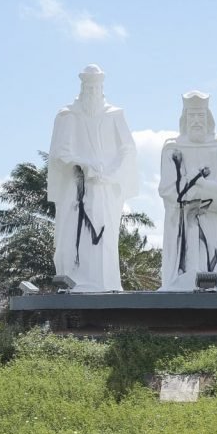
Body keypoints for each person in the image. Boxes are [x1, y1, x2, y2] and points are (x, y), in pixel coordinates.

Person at [48, 65, 138, 292]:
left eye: (96, 87)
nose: (92, 91)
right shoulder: (68, 115)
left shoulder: (114, 114)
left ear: (102, 88)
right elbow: (60, 153)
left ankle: (104, 284)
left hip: (104, 189)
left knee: (103, 238)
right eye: (88, 87)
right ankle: (73, 281)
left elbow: (127, 149)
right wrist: (83, 165)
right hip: (76, 188)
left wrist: (110, 172)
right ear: (82, 88)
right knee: (73, 237)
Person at [159, 92, 217, 291]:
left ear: (208, 119)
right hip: (185, 225)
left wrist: (204, 188)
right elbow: (167, 190)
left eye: (201, 116)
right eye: (192, 116)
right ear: (184, 119)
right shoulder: (172, 148)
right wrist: (193, 194)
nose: (196, 121)